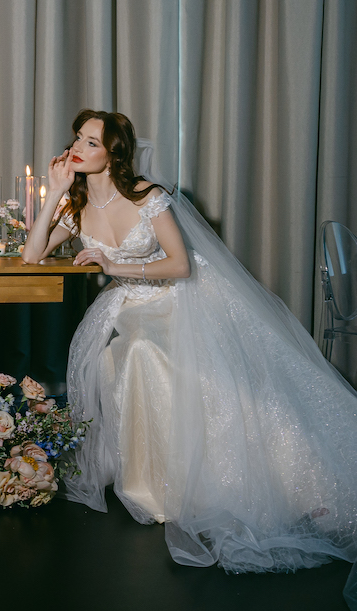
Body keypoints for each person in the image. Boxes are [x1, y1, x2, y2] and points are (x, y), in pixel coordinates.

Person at [22, 109, 357, 606]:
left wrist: (114, 263)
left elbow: (179, 264)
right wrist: (52, 192)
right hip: (129, 308)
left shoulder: (148, 197)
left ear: (112, 154)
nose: (77, 147)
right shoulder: (75, 207)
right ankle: (156, 485)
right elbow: (31, 257)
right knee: (129, 351)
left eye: (91, 142)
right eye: (77, 138)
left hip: (179, 302)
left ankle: (300, 490)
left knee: (166, 362)